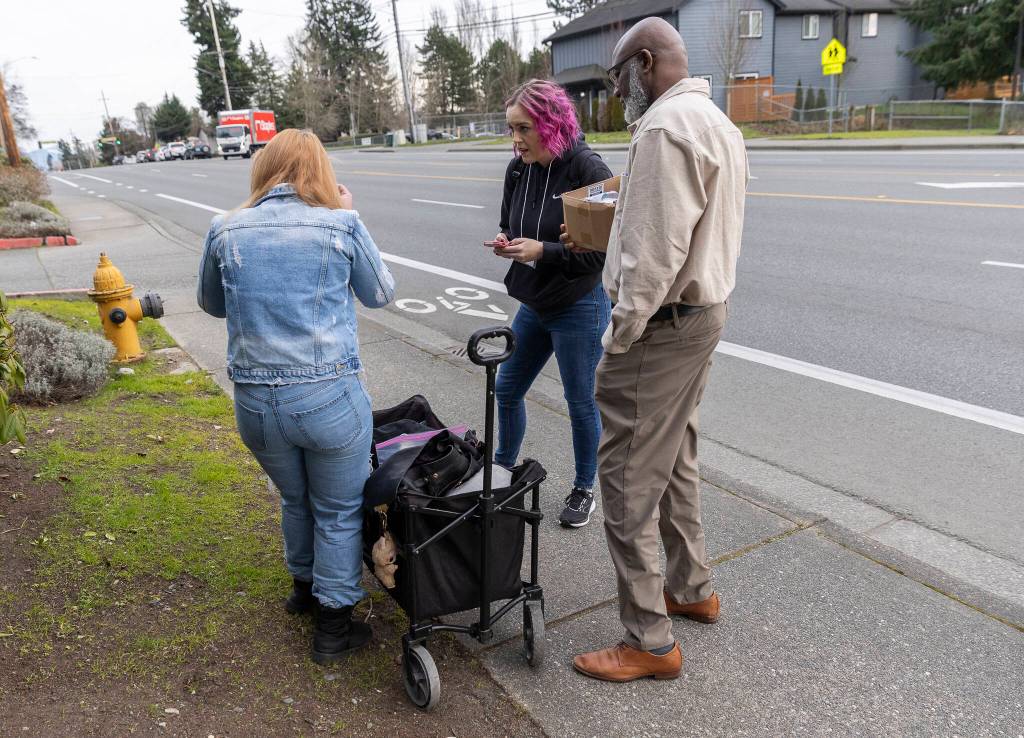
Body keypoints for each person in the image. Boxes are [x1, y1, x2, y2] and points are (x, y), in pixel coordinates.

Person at [567, 18, 749, 682]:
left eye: (619, 78)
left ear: (645, 63)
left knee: (623, 479)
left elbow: (652, 252)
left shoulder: (665, 130)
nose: (617, 94)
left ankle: (649, 638)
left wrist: (619, 335)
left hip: (663, 324)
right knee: (675, 457)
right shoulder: (716, 123)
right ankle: (692, 587)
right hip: (705, 314)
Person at [196, 129, 395, 665]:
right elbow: (380, 293)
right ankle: (333, 628)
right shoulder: (339, 224)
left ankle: (303, 590)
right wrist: (352, 214)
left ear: (263, 170)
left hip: (256, 403)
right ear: (321, 172)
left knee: (294, 498)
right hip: (328, 396)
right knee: (336, 509)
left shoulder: (226, 228)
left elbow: (211, 304)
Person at [489, 79, 614, 528]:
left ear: (551, 123)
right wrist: (508, 242)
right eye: (511, 129)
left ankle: (584, 489)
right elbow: (510, 221)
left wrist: (544, 252)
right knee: (506, 388)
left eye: (523, 129)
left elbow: (602, 256)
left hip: (579, 302)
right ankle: (501, 469)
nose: (516, 140)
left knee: (580, 401)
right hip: (535, 301)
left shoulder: (588, 170)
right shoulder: (519, 167)